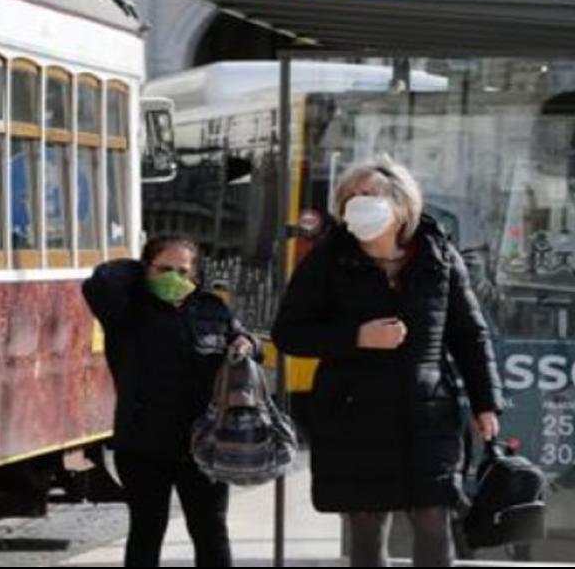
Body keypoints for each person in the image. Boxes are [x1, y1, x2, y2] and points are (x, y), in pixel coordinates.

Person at [271, 156, 503, 568]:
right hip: (352, 413)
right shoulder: (328, 259)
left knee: (434, 518)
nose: (357, 203)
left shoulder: (439, 256)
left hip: (428, 412)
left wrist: (486, 403)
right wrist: (357, 337)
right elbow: (289, 333)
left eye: (369, 195)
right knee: (366, 525)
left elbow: (470, 334)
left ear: (401, 205)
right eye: (350, 197)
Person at [82, 234, 257, 567]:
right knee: (147, 532)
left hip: (204, 444)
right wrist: (139, 271)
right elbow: (100, 281)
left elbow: (245, 339)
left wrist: (246, 343)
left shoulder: (211, 308)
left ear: (195, 274)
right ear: (145, 270)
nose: (174, 278)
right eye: (164, 269)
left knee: (210, 531)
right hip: (144, 443)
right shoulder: (126, 312)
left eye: (182, 270)